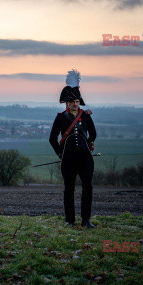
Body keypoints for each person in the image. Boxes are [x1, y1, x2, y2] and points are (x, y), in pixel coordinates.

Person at [49, 70, 97, 228]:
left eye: (77, 101)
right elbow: (52, 138)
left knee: (87, 187)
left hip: (84, 158)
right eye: (73, 102)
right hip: (68, 159)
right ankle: (70, 220)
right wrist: (61, 153)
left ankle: (86, 219)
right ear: (67, 103)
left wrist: (88, 145)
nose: (76, 104)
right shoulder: (61, 117)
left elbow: (94, 134)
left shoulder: (86, 116)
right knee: (68, 189)